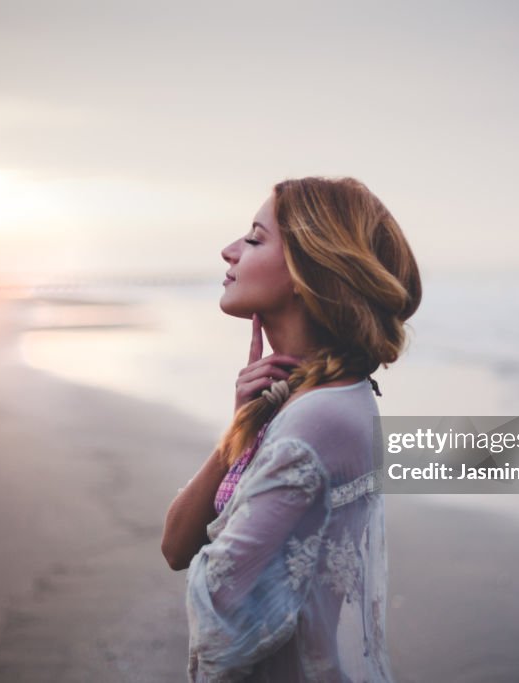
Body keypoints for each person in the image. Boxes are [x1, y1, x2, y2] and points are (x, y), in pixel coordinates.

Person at [161, 176, 421, 682]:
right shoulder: (324, 397)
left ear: (308, 272)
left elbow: (222, 612)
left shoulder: (316, 418)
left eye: (255, 239)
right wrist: (243, 424)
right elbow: (175, 547)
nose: (229, 251)